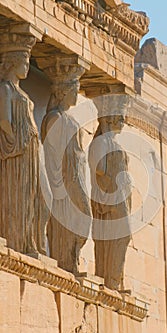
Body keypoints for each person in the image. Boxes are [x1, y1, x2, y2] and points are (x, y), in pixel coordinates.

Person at [0, 32, 48, 254]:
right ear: (11, 63)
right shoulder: (5, 89)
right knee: (21, 195)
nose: (27, 67)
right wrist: (15, 143)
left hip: (30, 150)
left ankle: (31, 240)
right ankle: (19, 240)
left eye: (28, 62)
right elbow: (4, 120)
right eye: (23, 62)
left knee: (38, 200)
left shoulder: (19, 91)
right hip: (19, 151)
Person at [41, 65, 92, 275]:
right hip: (63, 182)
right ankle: (65, 261)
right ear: (63, 92)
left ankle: (70, 261)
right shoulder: (54, 118)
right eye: (73, 90)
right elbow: (53, 156)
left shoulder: (70, 121)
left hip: (75, 179)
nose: (75, 94)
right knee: (69, 224)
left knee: (80, 221)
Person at [89, 94, 132, 290]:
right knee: (121, 235)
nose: (123, 122)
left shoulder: (114, 144)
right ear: (110, 118)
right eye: (120, 117)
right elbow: (99, 169)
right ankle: (110, 279)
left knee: (123, 236)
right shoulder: (101, 142)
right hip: (111, 198)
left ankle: (114, 279)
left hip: (120, 196)